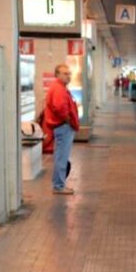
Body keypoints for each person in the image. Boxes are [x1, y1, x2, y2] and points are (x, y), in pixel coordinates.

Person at [44, 64, 80, 195]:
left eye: (69, 73)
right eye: (65, 74)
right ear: (57, 75)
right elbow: (59, 108)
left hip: (62, 126)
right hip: (63, 126)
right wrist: (68, 120)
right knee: (61, 157)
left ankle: (58, 184)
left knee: (60, 156)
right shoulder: (59, 89)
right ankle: (59, 186)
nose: (68, 76)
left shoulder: (60, 88)